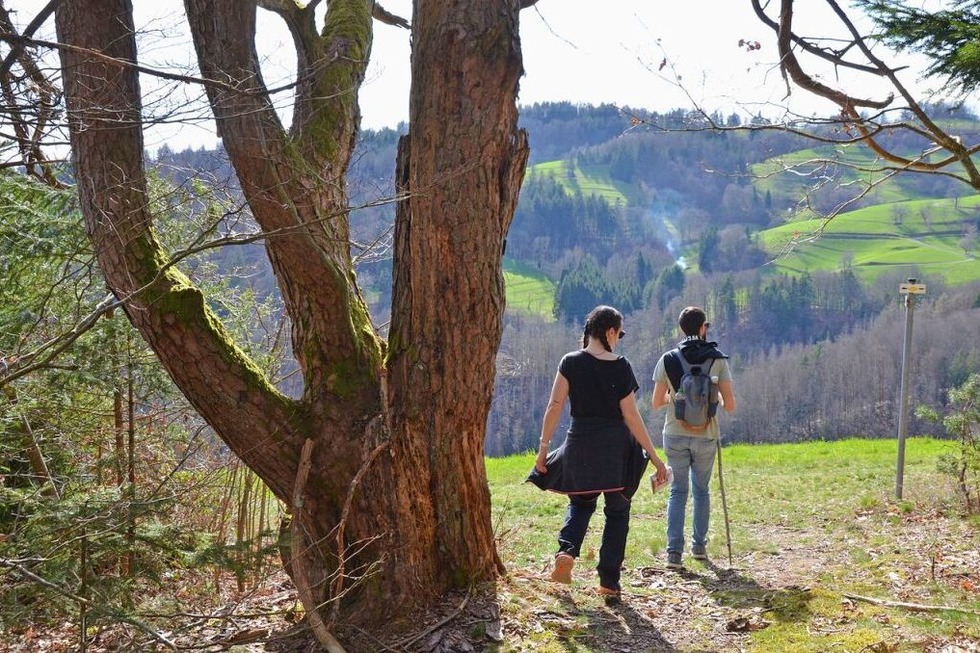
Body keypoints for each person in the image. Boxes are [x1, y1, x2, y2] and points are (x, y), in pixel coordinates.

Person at [527, 305, 669, 601]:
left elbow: (554, 406)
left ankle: (566, 552)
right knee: (617, 514)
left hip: (580, 445)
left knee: (580, 506)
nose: (619, 339)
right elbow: (631, 415)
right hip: (617, 453)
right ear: (609, 332)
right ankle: (609, 582)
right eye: (619, 333)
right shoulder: (620, 366)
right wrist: (654, 457)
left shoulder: (570, 362)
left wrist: (543, 449)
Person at [651, 306, 736, 570]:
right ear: (703, 329)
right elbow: (731, 405)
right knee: (702, 490)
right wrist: (715, 398)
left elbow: (656, 402)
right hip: (706, 436)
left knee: (677, 491)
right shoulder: (717, 360)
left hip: (674, 433)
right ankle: (699, 546)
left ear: (681, 329)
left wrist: (676, 397)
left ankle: (674, 553)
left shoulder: (668, 359)